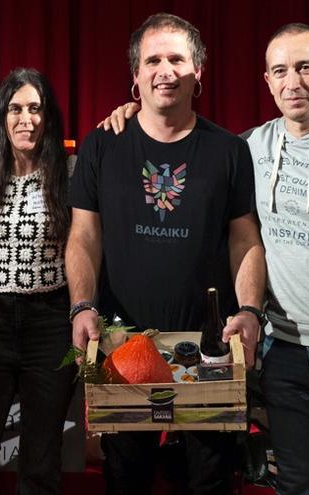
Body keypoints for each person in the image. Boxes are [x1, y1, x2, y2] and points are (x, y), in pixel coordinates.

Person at [100, 21, 309, 495]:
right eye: (280, 71)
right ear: (267, 81)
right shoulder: (248, 147)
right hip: (284, 352)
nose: (293, 82)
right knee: (294, 483)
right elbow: (180, 130)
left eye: (305, 68)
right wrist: (138, 110)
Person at [66, 13, 266, 495]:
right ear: (135, 77)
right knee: (125, 477)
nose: (165, 70)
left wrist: (250, 311)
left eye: (177, 59)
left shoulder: (229, 151)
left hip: (209, 348)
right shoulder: (101, 146)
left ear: (199, 72)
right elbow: (84, 237)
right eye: (152, 60)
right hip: (124, 343)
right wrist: (81, 307)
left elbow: (245, 239)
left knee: (210, 478)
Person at [0, 68, 77, 494]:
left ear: (49, 117)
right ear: (1, 116)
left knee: (41, 455)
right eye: (15, 108)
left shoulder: (71, 174)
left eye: (35, 108)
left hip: (50, 321)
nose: (26, 118)